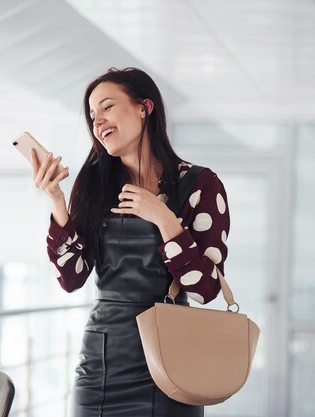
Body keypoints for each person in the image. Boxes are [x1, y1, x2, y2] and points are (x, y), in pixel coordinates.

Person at [30, 67, 230, 417]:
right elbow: (72, 278)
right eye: (92, 115)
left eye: (107, 107)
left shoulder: (199, 184)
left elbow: (206, 289)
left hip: (172, 364)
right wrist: (58, 202)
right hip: (101, 364)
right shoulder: (95, 184)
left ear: (144, 107)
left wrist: (164, 218)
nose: (98, 121)